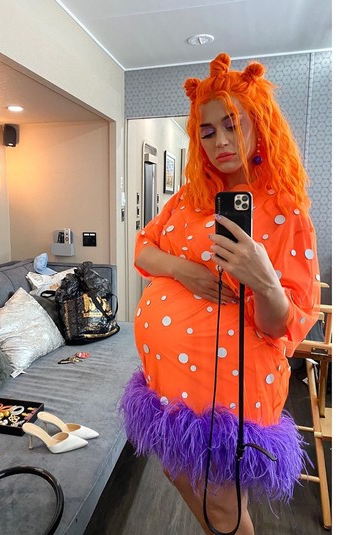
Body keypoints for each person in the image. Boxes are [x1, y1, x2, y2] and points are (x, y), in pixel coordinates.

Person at [120, 52, 321, 534]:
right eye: (207, 131)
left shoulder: (285, 211)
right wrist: (184, 270)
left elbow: (281, 325)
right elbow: (144, 248)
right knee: (179, 472)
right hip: (168, 382)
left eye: (233, 124)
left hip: (229, 388)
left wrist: (263, 278)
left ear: (259, 125)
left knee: (224, 508)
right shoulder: (187, 200)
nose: (221, 142)